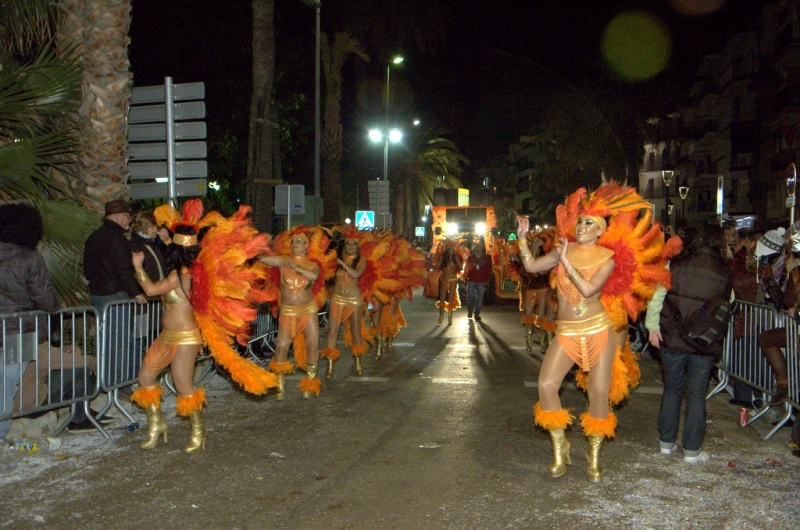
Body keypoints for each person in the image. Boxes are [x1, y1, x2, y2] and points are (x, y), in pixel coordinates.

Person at [518, 182, 665, 482]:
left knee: (599, 394)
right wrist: (522, 240)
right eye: (581, 221)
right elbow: (532, 266)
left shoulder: (607, 260)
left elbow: (587, 290)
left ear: (601, 230)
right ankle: (561, 446)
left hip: (598, 330)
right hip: (567, 332)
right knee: (546, 385)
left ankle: (594, 455)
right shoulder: (564, 250)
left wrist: (566, 262)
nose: (583, 226)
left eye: (590, 223)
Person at [0, 203, 106, 436]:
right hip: (20, 332)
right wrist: (58, 308)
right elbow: (44, 298)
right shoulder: (29, 258)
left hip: (13, 329)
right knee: (8, 381)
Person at [648, 225, 733, 463]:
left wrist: (652, 326)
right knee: (697, 394)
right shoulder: (724, 273)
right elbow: (728, 303)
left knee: (672, 389)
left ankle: (666, 442)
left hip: (672, 337)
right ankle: (692, 451)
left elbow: (657, 296)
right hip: (704, 342)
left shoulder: (675, 264)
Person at [130, 224, 207, 453]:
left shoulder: (180, 275)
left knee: (183, 385)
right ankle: (157, 425)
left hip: (186, 337)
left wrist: (137, 266)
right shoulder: (185, 272)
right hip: (167, 336)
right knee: (145, 376)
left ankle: (199, 432)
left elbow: (152, 290)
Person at [83, 199, 147, 399]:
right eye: (128, 217)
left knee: (108, 340)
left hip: (98, 294)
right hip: (115, 295)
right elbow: (123, 270)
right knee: (120, 341)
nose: (129, 221)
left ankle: (109, 382)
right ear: (120, 217)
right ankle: (121, 385)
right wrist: (135, 292)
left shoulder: (93, 237)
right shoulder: (117, 239)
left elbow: (87, 269)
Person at [258, 229, 324, 399]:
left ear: (307, 246)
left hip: (308, 309)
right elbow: (261, 258)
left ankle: (310, 380)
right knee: (282, 345)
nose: (295, 244)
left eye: (299, 241)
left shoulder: (313, 264)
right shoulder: (283, 261)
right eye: (293, 242)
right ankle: (279, 382)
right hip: (287, 310)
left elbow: (313, 276)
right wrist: (259, 243)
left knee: (312, 344)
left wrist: (295, 267)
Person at [320, 233, 368, 377]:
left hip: (354, 300)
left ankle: (358, 360)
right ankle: (329, 365)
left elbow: (355, 275)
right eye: (348, 243)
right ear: (344, 245)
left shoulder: (362, 261)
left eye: (354, 244)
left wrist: (342, 265)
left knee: (355, 332)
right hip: (337, 298)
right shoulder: (336, 260)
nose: (351, 247)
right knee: (332, 330)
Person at [431, 241, 463, 325]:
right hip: (444, 280)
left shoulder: (456, 257)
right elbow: (437, 267)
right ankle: (441, 317)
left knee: (451, 299)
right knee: (442, 298)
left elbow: (461, 267)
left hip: (453, 280)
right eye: (449, 249)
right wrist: (430, 265)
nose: (451, 250)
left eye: (452, 249)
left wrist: (457, 261)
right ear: (447, 250)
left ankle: (450, 318)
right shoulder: (443, 258)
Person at [464, 241, 492, 322]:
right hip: (471, 280)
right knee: (470, 296)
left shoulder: (485, 259)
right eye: (478, 247)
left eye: (481, 247)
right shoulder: (470, 258)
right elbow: (467, 269)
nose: (479, 248)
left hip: (481, 282)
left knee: (479, 298)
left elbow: (488, 270)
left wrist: (486, 280)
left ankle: (477, 314)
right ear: (475, 248)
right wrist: (466, 279)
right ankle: (470, 310)